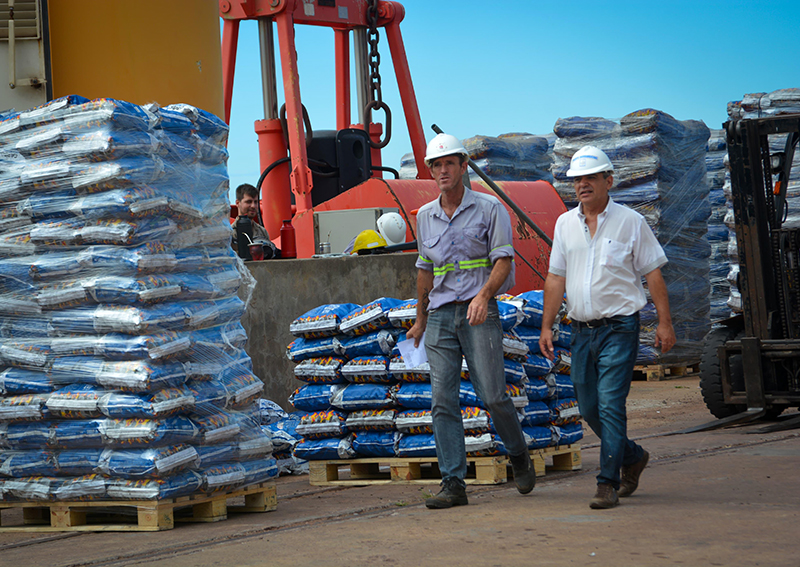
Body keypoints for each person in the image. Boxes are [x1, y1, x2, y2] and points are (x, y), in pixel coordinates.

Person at [538, 145, 676, 510]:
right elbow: (555, 278)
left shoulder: (631, 222)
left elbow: (653, 273)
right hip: (582, 330)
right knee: (588, 407)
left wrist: (665, 323)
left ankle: (607, 482)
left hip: (619, 328)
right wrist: (546, 326)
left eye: (590, 178)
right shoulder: (565, 224)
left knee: (612, 405)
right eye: (577, 180)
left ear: (608, 181)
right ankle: (632, 456)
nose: (582, 185)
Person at [406, 133, 536, 509]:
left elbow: (503, 261)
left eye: (449, 163)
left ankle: (519, 454)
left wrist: (483, 296)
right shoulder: (425, 217)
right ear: (431, 172)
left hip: (480, 311)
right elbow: (424, 271)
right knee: (442, 401)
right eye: (437, 165)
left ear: (464, 166)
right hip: (442, 316)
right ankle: (454, 483)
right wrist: (420, 319)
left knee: (493, 395)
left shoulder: (490, 209)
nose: (443, 170)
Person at [231, 183, 270, 253]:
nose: (253, 206)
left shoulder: (262, 231)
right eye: (248, 202)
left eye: (255, 202)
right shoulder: (231, 233)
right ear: (237, 203)